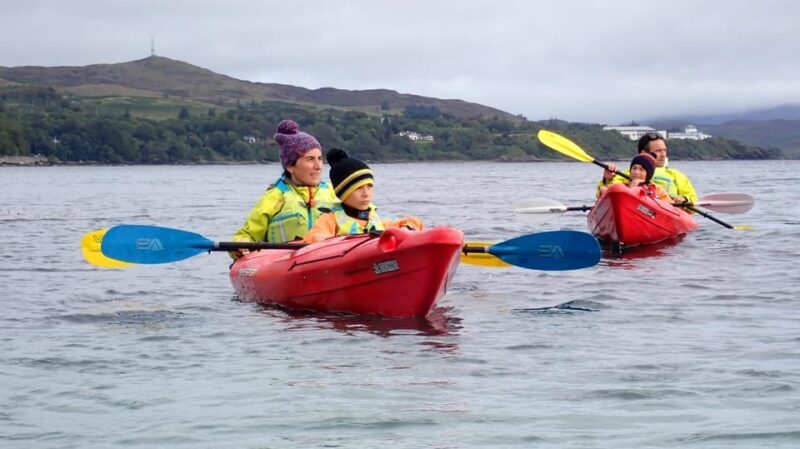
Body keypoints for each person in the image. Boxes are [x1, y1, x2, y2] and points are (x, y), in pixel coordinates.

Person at [230, 119, 339, 259]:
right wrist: (241, 245)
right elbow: (246, 235)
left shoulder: (334, 193)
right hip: (285, 264)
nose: (318, 166)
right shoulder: (276, 196)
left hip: (328, 260)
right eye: (310, 159)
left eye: (319, 158)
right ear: (290, 166)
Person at [303, 148, 423, 243]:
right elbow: (313, 238)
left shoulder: (377, 218)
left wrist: (406, 230)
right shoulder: (330, 219)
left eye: (369, 186)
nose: (366, 194)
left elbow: (413, 222)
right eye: (358, 188)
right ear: (344, 193)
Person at [597, 132, 698, 203]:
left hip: (667, 211)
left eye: (664, 150)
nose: (663, 155)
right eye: (658, 151)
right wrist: (607, 179)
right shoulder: (627, 174)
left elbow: (693, 199)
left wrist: (685, 199)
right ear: (644, 153)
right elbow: (604, 197)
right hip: (635, 208)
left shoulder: (676, 175)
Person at [600, 153, 671, 202]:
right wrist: (607, 179)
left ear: (648, 175)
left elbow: (671, 207)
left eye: (641, 169)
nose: (636, 172)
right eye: (634, 168)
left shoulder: (657, 190)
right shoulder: (621, 186)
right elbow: (602, 195)